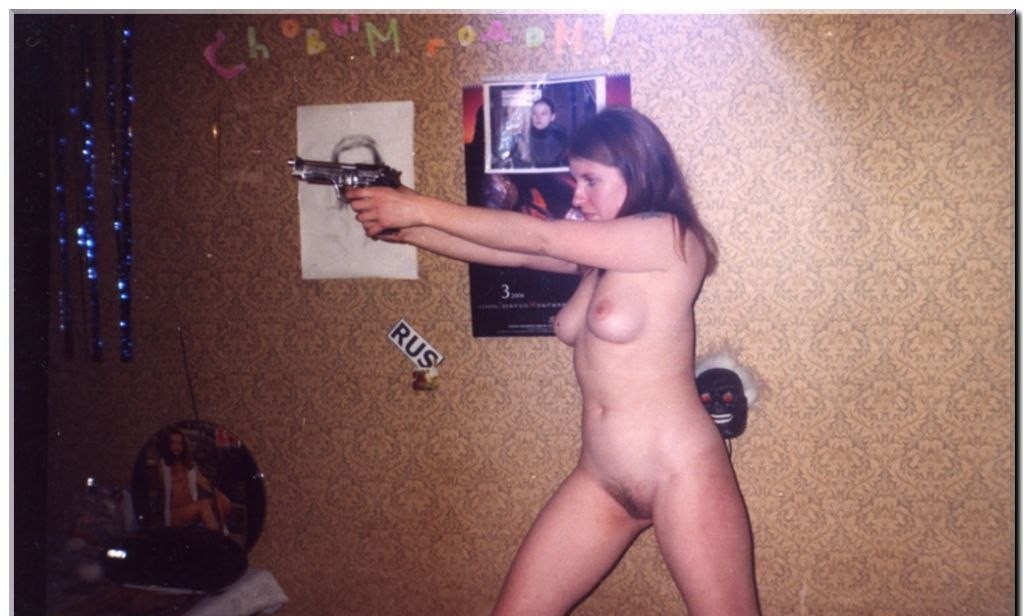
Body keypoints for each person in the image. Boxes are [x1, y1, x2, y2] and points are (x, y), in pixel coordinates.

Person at [346, 106, 760, 615]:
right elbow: (518, 253)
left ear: (637, 171)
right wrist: (407, 227)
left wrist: (418, 208)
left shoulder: (670, 236)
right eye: (574, 180)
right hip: (602, 478)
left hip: (680, 471)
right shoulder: (602, 259)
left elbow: (539, 235)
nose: (577, 196)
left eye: (591, 180)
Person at [157, 427, 232, 534]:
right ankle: (217, 536)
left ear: (184, 446)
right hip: (173, 513)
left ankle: (218, 532)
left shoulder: (189, 466)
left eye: (180, 443)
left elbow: (205, 483)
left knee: (223, 502)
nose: (177, 447)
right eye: (173, 442)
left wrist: (221, 497)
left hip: (191, 508)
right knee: (203, 504)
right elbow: (163, 484)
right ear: (167, 445)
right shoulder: (163, 465)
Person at [511, 97, 569, 169]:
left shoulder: (562, 139)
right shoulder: (522, 138)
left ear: (552, 117)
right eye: (534, 113)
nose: (538, 117)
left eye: (543, 113)